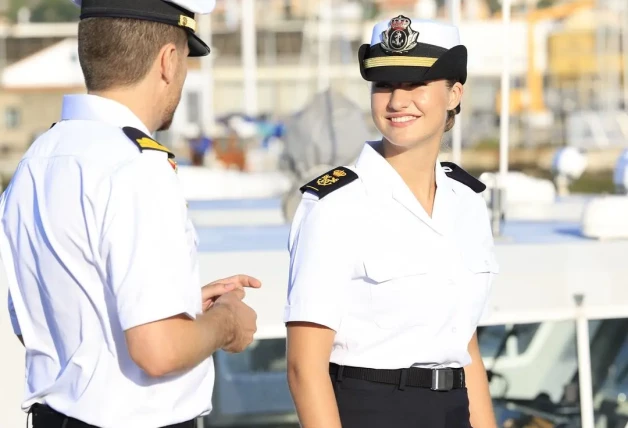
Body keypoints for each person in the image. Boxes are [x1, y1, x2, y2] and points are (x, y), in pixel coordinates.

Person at [0, 1, 260, 427]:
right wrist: (225, 323)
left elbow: (42, 321)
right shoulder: (137, 167)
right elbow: (158, 352)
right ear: (168, 60)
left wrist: (180, 307)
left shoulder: (37, 160)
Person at [284, 16, 499, 428]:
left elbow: (463, 344)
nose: (397, 101)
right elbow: (303, 368)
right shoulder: (335, 205)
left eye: (415, 84)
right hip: (369, 411)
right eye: (384, 85)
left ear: (455, 93)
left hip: (455, 409)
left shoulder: (468, 202)